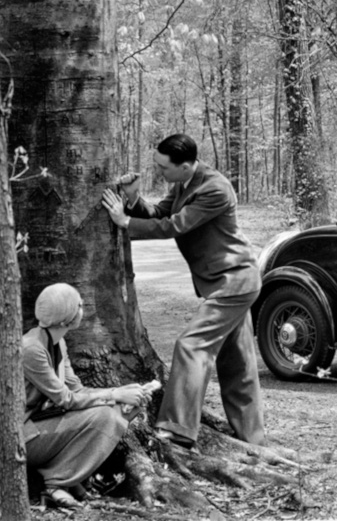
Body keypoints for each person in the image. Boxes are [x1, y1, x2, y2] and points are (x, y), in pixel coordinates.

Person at [101, 133, 264, 449]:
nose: (160, 173)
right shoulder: (184, 184)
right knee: (238, 363)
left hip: (235, 281)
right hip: (221, 281)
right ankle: (251, 439)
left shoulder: (215, 189)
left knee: (191, 345)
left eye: (163, 168)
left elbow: (174, 225)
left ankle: (177, 429)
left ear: (186, 165)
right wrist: (134, 201)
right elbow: (161, 212)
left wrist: (125, 222)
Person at [0, 283, 151, 509]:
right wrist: (115, 393)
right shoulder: (31, 349)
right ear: (66, 317)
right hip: (11, 438)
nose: (82, 309)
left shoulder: (57, 342)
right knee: (106, 416)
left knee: (122, 409)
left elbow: (77, 391)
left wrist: (125, 395)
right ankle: (57, 482)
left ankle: (67, 478)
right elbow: (66, 400)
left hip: (32, 426)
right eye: (78, 305)